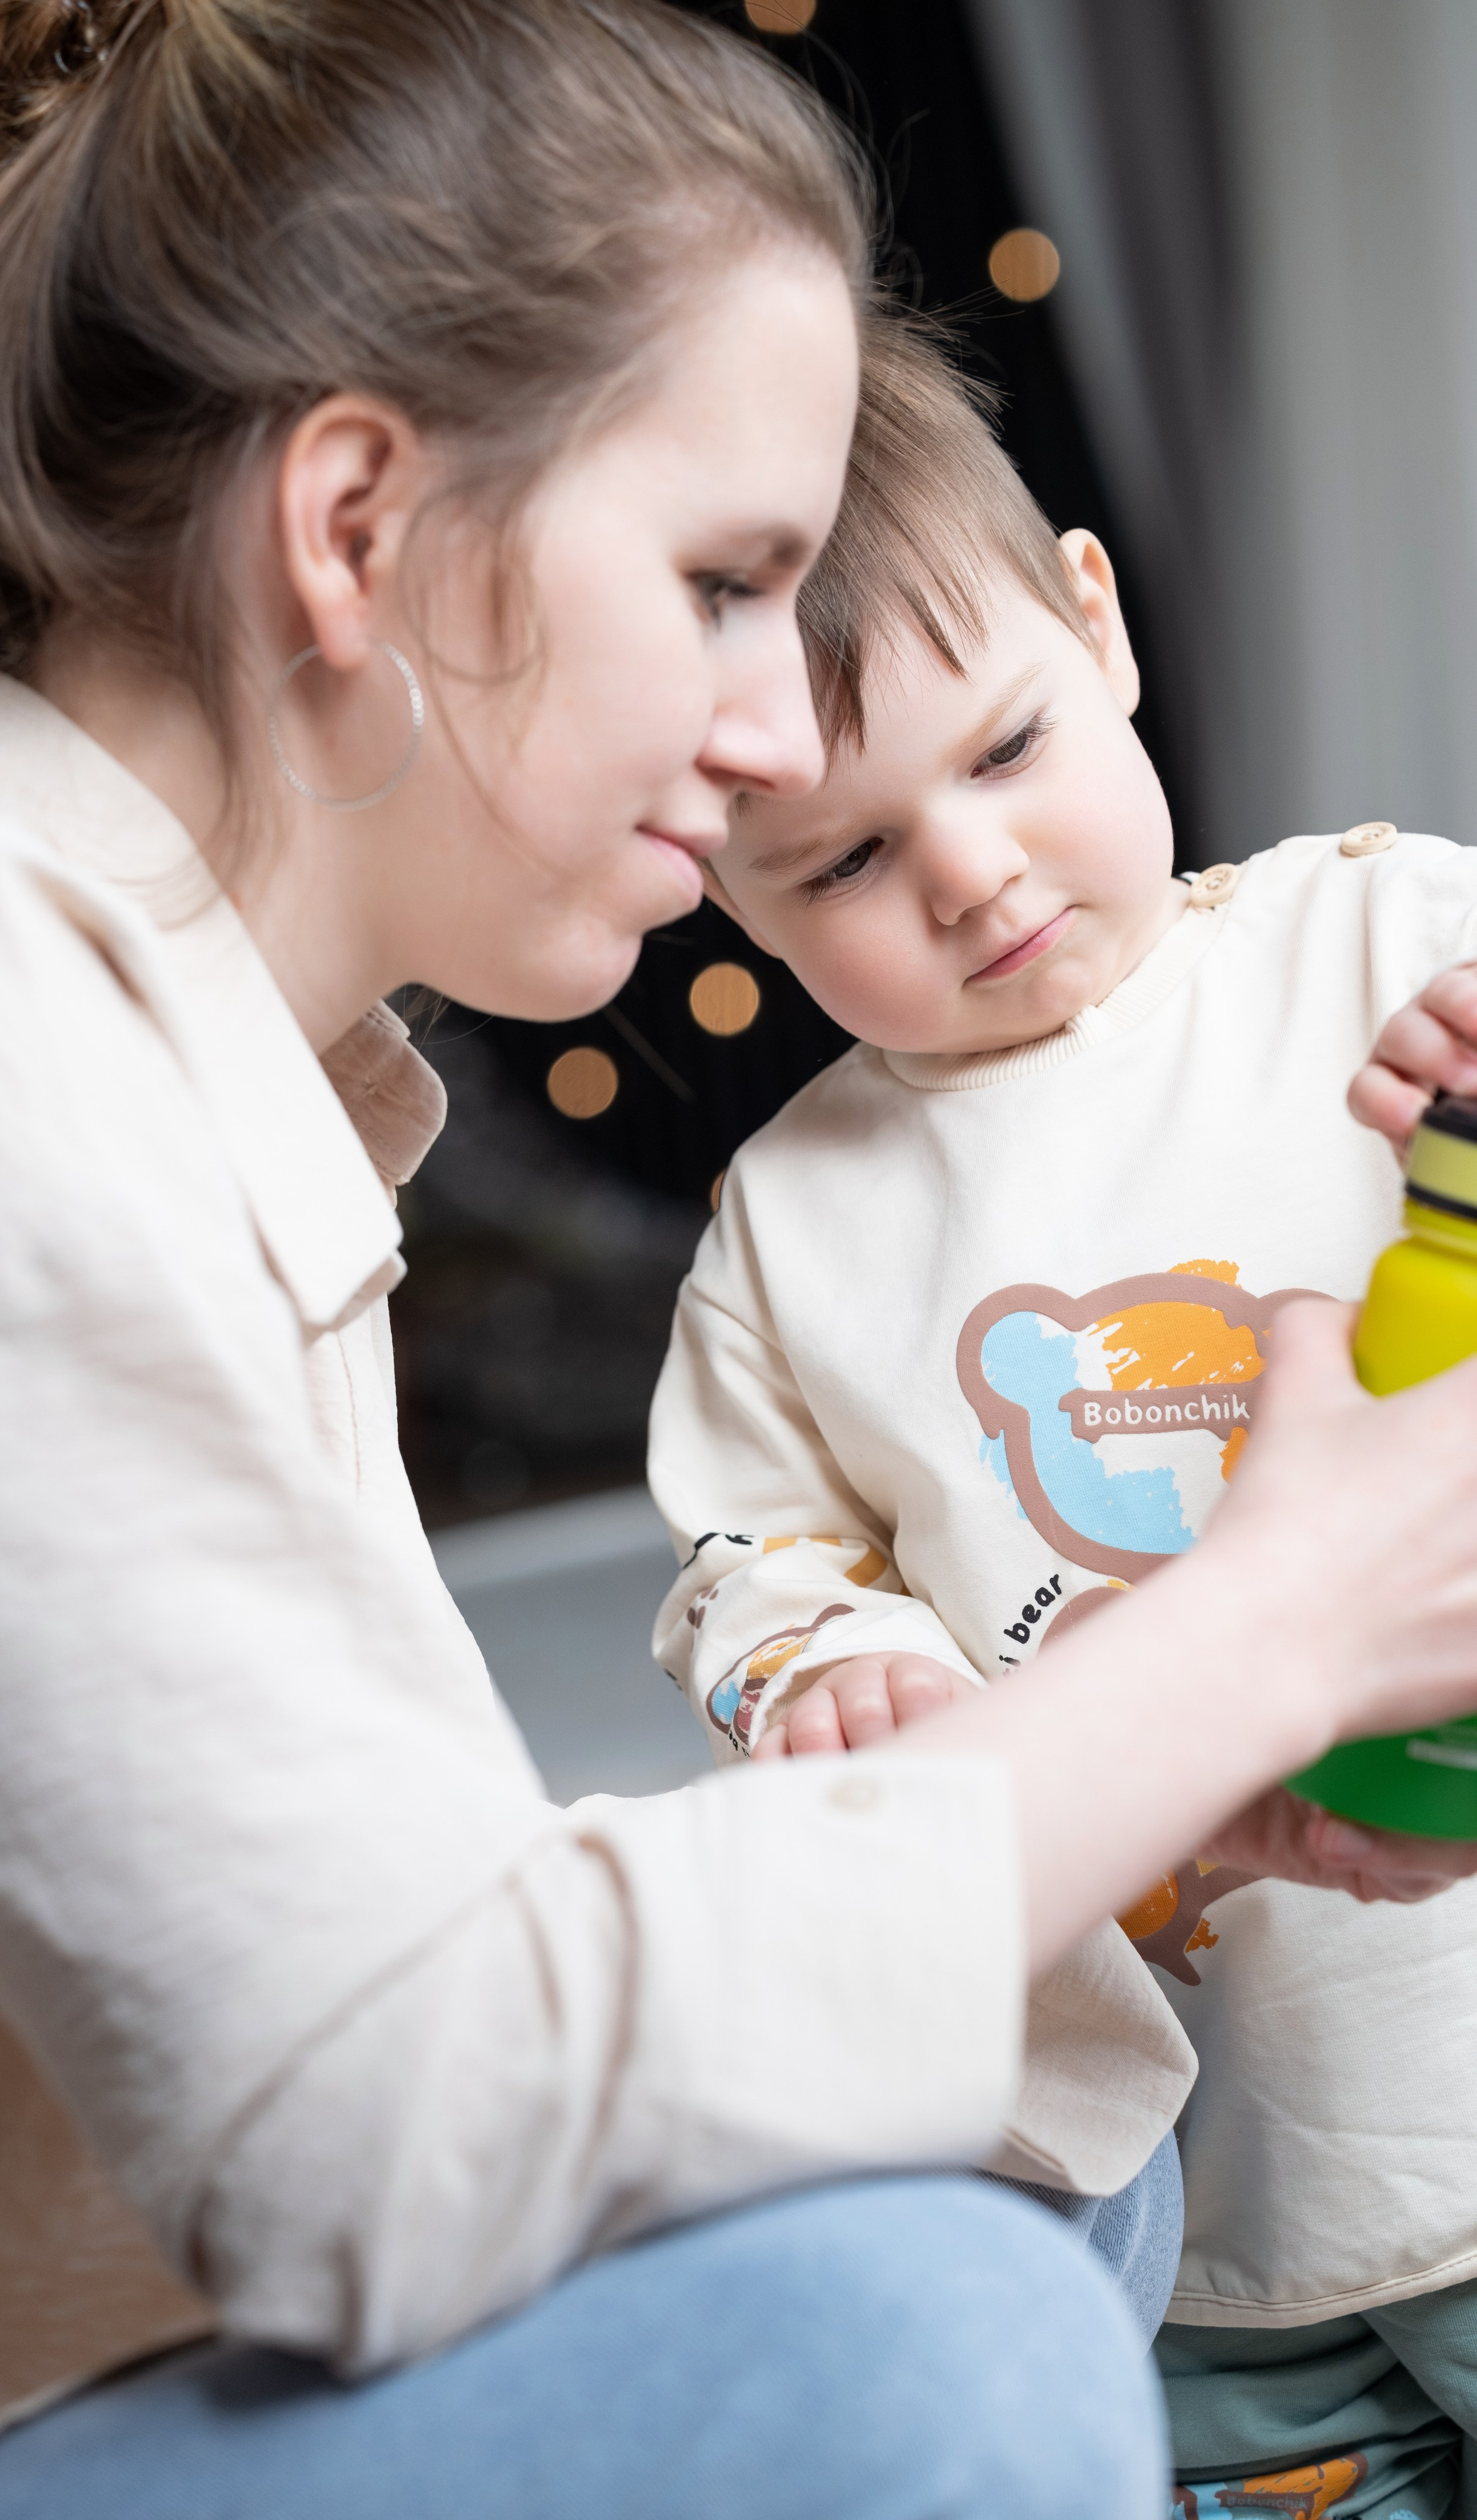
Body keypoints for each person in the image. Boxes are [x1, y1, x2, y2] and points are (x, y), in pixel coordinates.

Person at [0, 5, 1477, 2518]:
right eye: (721, 584)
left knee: (1032, 2104)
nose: (776, 737)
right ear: (354, 525)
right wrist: (1280, 1626)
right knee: (925, 2334)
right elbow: (392, 2118)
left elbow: (382, 1958)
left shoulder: (141, 1042)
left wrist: (1162, 1759)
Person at [647, 322, 1477, 2518]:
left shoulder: (1391, 940)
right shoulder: (792, 1221)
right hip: (1198, 2188)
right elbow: (748, 1556)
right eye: (837, 863)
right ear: (712, 885)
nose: (970, 872)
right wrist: (835, 1670)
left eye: (1007, 746)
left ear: (1095, 623)